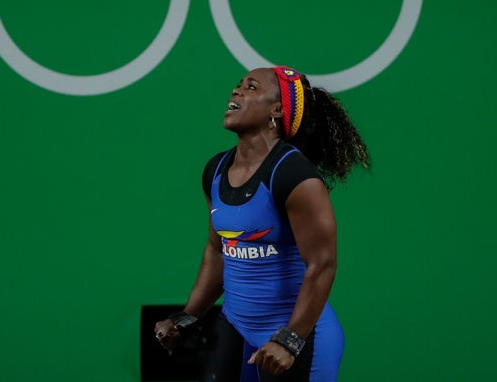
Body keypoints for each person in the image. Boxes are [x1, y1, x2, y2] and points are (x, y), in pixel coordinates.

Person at [154, 66, 370, 381]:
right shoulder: (215, 169)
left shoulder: (294, 175)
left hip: (297, 335)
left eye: (251, 87)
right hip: (236, 328)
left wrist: (291, 339)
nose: (236, 91)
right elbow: (218, 250)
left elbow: (322, 264)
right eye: (238, 84)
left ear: (277, 110)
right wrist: (187, 317)